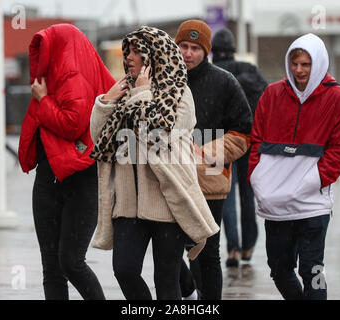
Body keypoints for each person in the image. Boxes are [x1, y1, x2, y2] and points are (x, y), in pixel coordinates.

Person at [89, 26, 219, 300]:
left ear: (154, 55)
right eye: (128, 51)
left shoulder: (180, 94)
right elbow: (99, 140)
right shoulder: (125, 90)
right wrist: (106, 102)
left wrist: (141, 95)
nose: (130, 57)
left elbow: (157, 140)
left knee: (166, 280)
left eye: (137, 51)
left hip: (166, 203)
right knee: (124, 269)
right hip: (128, 202)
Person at [248, 33, 340, 300]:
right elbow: (256, 141)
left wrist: (312, 180)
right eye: (295, 63)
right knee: (279, 269)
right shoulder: (272, 94)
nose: (299, 70)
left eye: (306, 64)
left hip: (312, 203)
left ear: (318, 63)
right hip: (275, 203)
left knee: (313, 270)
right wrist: (257, 178)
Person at [18, 24, 116, 300]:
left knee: (70, 262)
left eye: (46, 49)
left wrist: (44, 100)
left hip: (80, 179)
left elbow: (73, 123)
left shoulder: (71, 75)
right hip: (49, 178)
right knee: (52, 268)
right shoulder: (56, 77)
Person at [175, 20, 253, 300]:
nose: (188, 53)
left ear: (206, 50)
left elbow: (244, 131)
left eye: (195, 48)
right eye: (183, 46)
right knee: (169, 250)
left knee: (206, 253)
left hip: (210, 181)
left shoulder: (224, 82)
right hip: (171, 181)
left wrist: (206, 153)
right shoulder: (165, 81)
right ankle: (188, 293)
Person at [212, 27, 268, 267]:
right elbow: (267, 103)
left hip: (218, 142)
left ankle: (232, 247)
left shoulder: (214, 73)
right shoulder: (251, 72)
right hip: (249, 141)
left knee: (223, 195)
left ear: (213, 51)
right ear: (234, 49)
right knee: (248, 195)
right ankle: (249, 244)